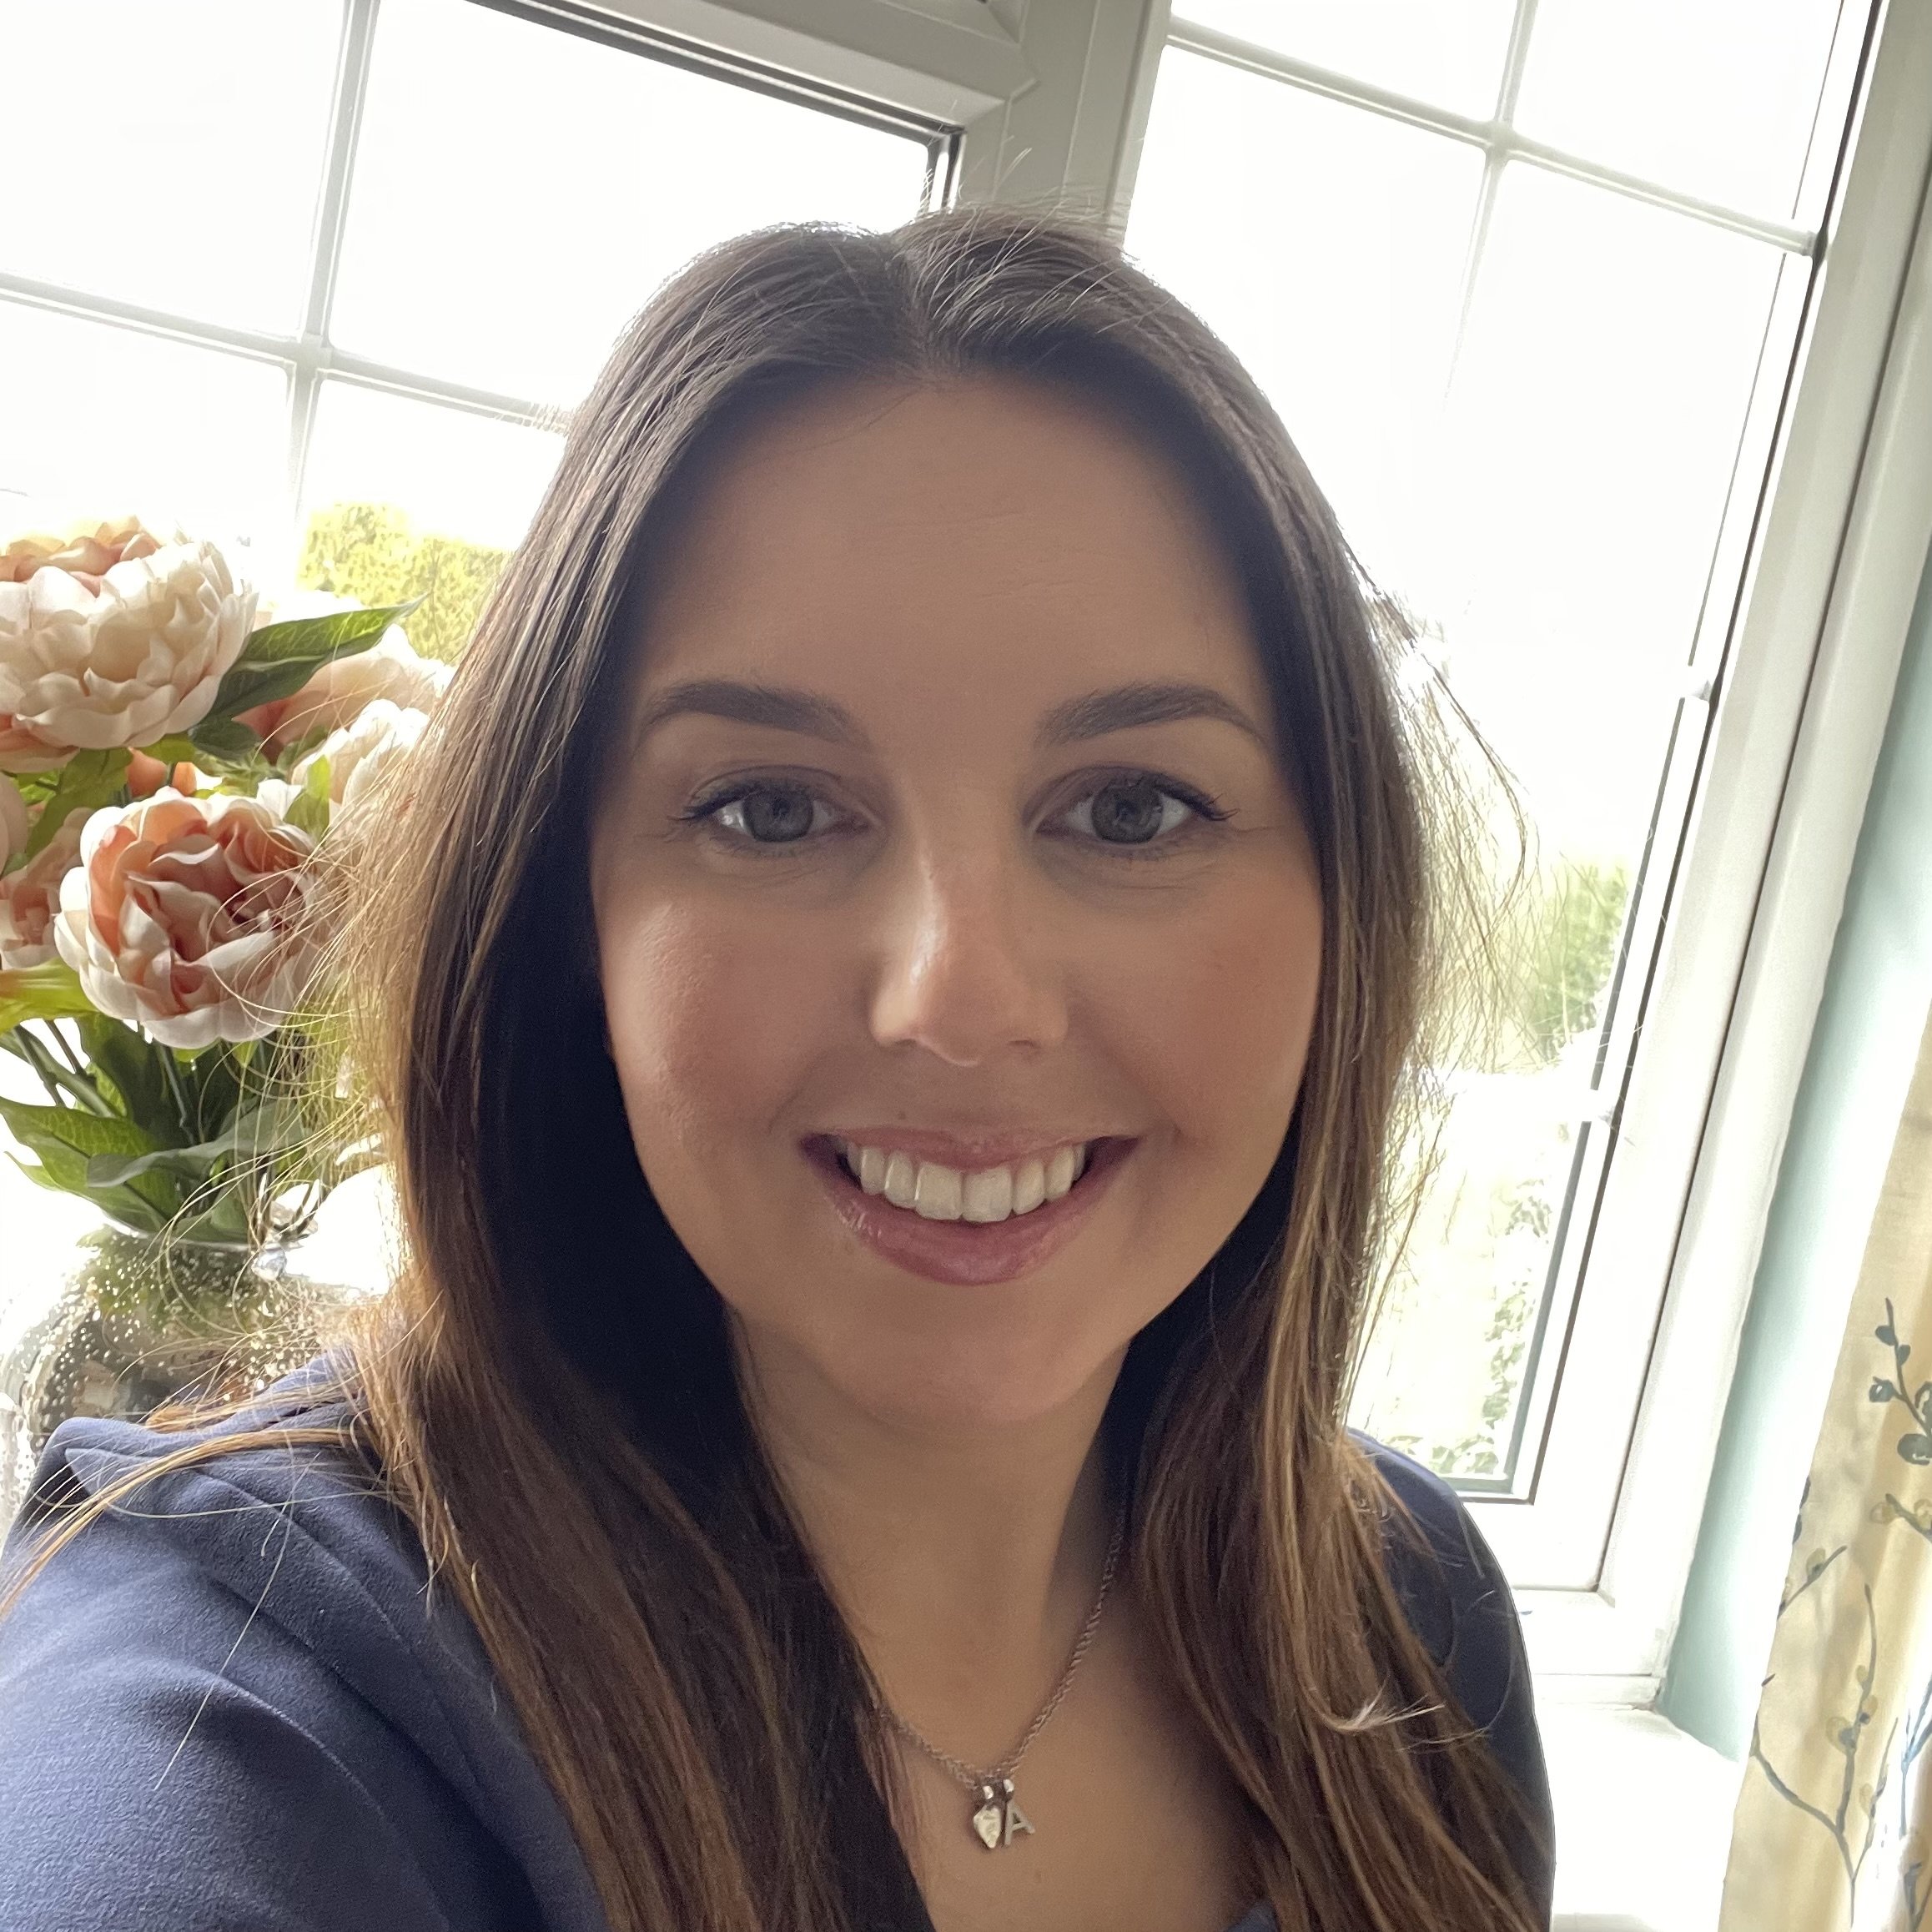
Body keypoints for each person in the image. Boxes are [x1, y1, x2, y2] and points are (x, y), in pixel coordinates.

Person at [0, 208, 1553, 1932]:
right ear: (566, 915)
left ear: (1343, 896)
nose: (964, 1002)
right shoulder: (237, 1718)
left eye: (1132, 808)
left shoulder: (1410, 1625)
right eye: (768, 809)